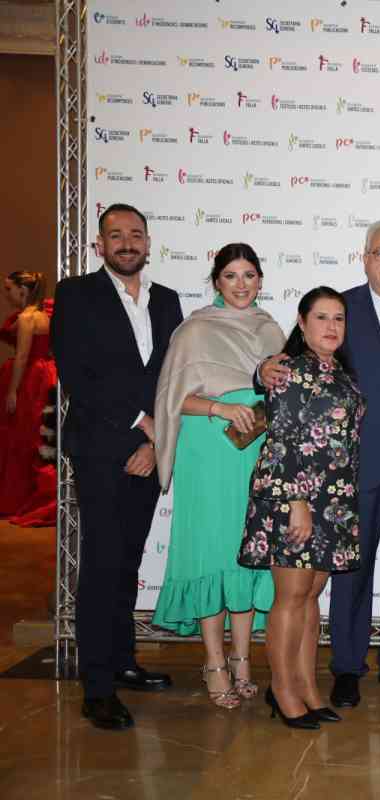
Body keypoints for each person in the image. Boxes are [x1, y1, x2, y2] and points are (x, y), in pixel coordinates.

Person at [263, 217, 380, 706]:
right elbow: (294, 362)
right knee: (351, 570)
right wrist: (259, 370)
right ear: (365, 258)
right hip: (351, 469)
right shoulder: (341, 309)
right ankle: (347, 666)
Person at [51, 203, 183, 730]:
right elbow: (77, 374)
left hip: (150, 450)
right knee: (102, 565)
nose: (127, 243)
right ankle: (97, 686)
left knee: (128, 562)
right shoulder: (75, 295)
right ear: (99, 245)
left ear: (148, 243)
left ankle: (124, 660)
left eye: (135, 234)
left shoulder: (167, 300)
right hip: (101, 450)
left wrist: (157, 439)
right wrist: (141, 423)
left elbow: (173, 376)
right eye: (116, 235)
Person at [150, 244, 285, 709]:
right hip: (207, 453)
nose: (241, 284)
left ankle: (242, 660)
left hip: (254, 453)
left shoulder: (271, 331)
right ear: (216, 282)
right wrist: (220, 408)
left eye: (249, 275)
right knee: (212, 554)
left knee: (247, 555)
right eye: (231, 275)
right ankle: (213, 663)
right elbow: (171, 399)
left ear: (260, 280)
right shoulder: (195, 330)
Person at [239, 286, 364, 729]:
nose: (332, 326)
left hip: (333, 501)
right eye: (322, 317)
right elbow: (283, 440)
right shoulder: (290, 371)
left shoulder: (341, 373)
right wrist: (297, 503)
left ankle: (308, 687)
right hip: (295, 499)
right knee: (291, 598)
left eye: (339, 318)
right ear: (302, 322)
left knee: (311, 597)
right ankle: (283, 690)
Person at [0, 271, 56, 518]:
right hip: (47, 376)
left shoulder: (27, 318)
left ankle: (19, 497)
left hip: (30, 379)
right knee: (37, 437)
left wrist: (12, 391)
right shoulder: (46, 316)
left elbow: (22, 356)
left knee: (21, 437)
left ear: (22, 290)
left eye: (9, 289)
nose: (7, 294)